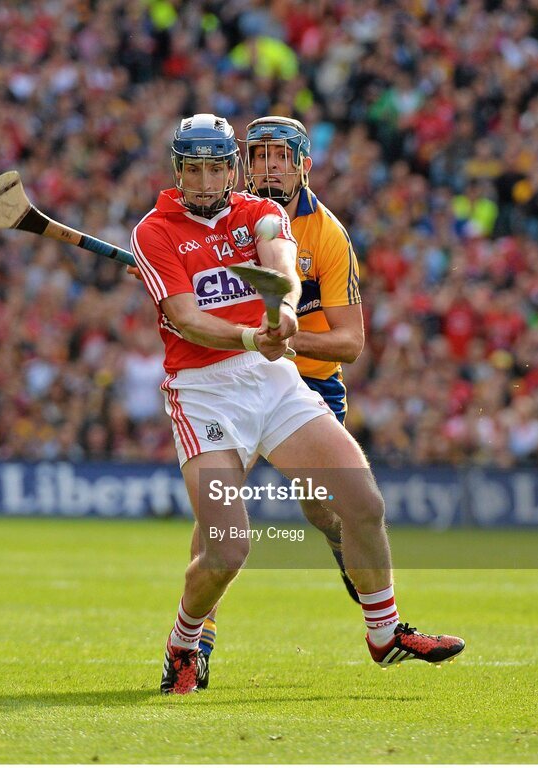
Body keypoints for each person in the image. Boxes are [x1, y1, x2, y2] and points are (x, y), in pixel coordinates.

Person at [130, 113, 464, 695]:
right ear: (178, 170)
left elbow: (280, 256)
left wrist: (283, 312)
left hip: (274, 379)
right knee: (228, 548)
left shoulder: (259, 212)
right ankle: (185, 643)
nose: (206, 180)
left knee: (361, 501)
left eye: (216, 167)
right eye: (194, 168)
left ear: (230, 168)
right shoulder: (154, 231)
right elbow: (184, 318)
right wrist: (244, 336)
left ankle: (383, 635)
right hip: (204, 392)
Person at [196, 116, 366, 666]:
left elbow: (351, 342)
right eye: (259, 157)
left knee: (323, 512)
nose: (269, 168)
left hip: (308, 386)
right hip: (235, 383)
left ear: (303, 165)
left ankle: (343, 548)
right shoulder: (226, 218)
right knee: (216, 509)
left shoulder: (327, 234)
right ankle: (198, 637)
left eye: (281, 158)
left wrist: (288, 348)